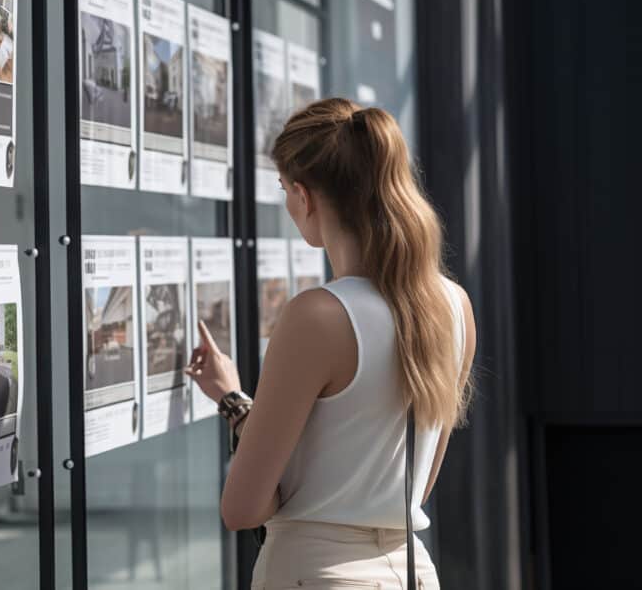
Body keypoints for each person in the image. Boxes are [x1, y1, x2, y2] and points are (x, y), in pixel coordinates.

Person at [188, 98, 476, 589]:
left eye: (283, 189)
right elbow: (410, 485)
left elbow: (243, 507)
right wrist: (236, 402)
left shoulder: (319, 315)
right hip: (411, 571)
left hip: (315, 574)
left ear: (304, 196)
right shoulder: (454, 306)